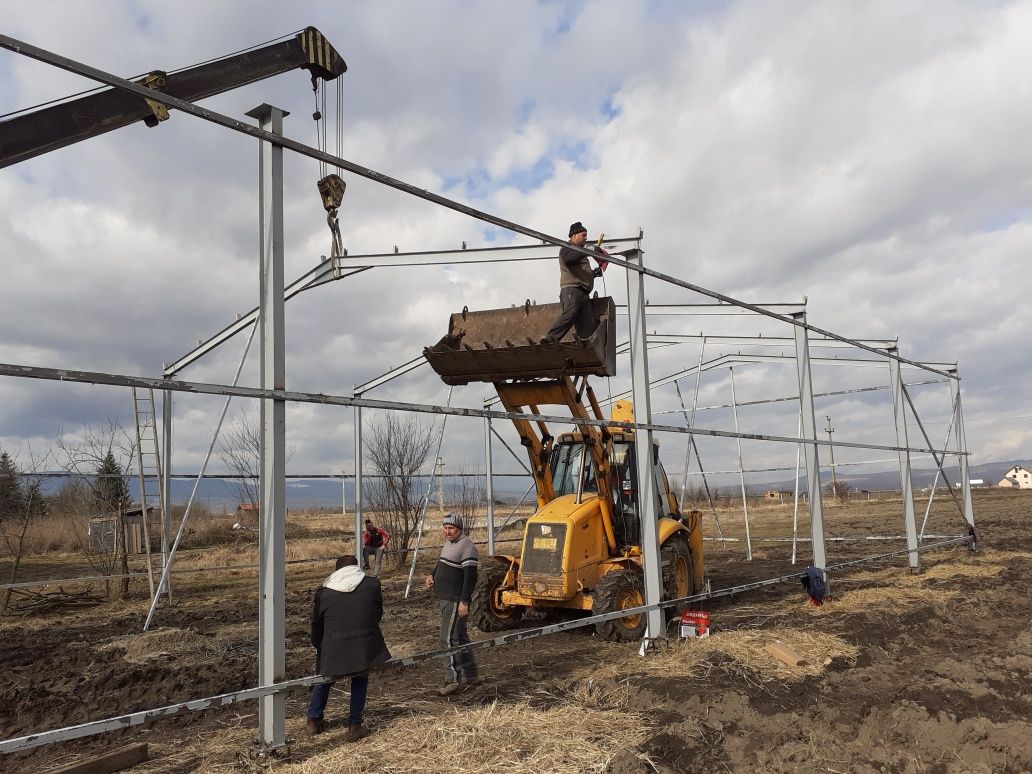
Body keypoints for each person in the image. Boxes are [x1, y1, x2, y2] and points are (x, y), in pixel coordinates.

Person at [307, 554, 391, 741]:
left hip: (334, 645)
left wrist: (319, 646)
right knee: (360, 677)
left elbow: (317, 625)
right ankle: (354, 725)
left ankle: (313, 720)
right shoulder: (372, 585)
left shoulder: (324, 593)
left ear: (337, 571)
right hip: (364, 643)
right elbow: (377, 613)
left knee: (325, 677)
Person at [424, 512, 479, 695]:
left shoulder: (467, 546)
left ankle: (452, 680)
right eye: (445, 528)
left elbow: (470, 578)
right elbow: (441, 563)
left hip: (455, 600)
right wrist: (432, 574)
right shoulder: (449, 543)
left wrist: (464, 601)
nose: (447, 531)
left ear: (459, 529)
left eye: (451, 528)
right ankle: (471, 675)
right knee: (460, 637)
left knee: (447, 641)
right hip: (445, 598)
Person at [542, 221, 610, 343]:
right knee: (571, 313)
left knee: (587, 327)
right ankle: (550, 338)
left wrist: (594, 274)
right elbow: (569, 259)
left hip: (583, 293)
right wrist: (589, 250)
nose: (586, 238)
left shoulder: (580, 253)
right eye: (583, 235)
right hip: (572, 290)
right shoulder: (566, 248)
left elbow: (581, 272)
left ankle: (584, 348)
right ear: (574, 235)